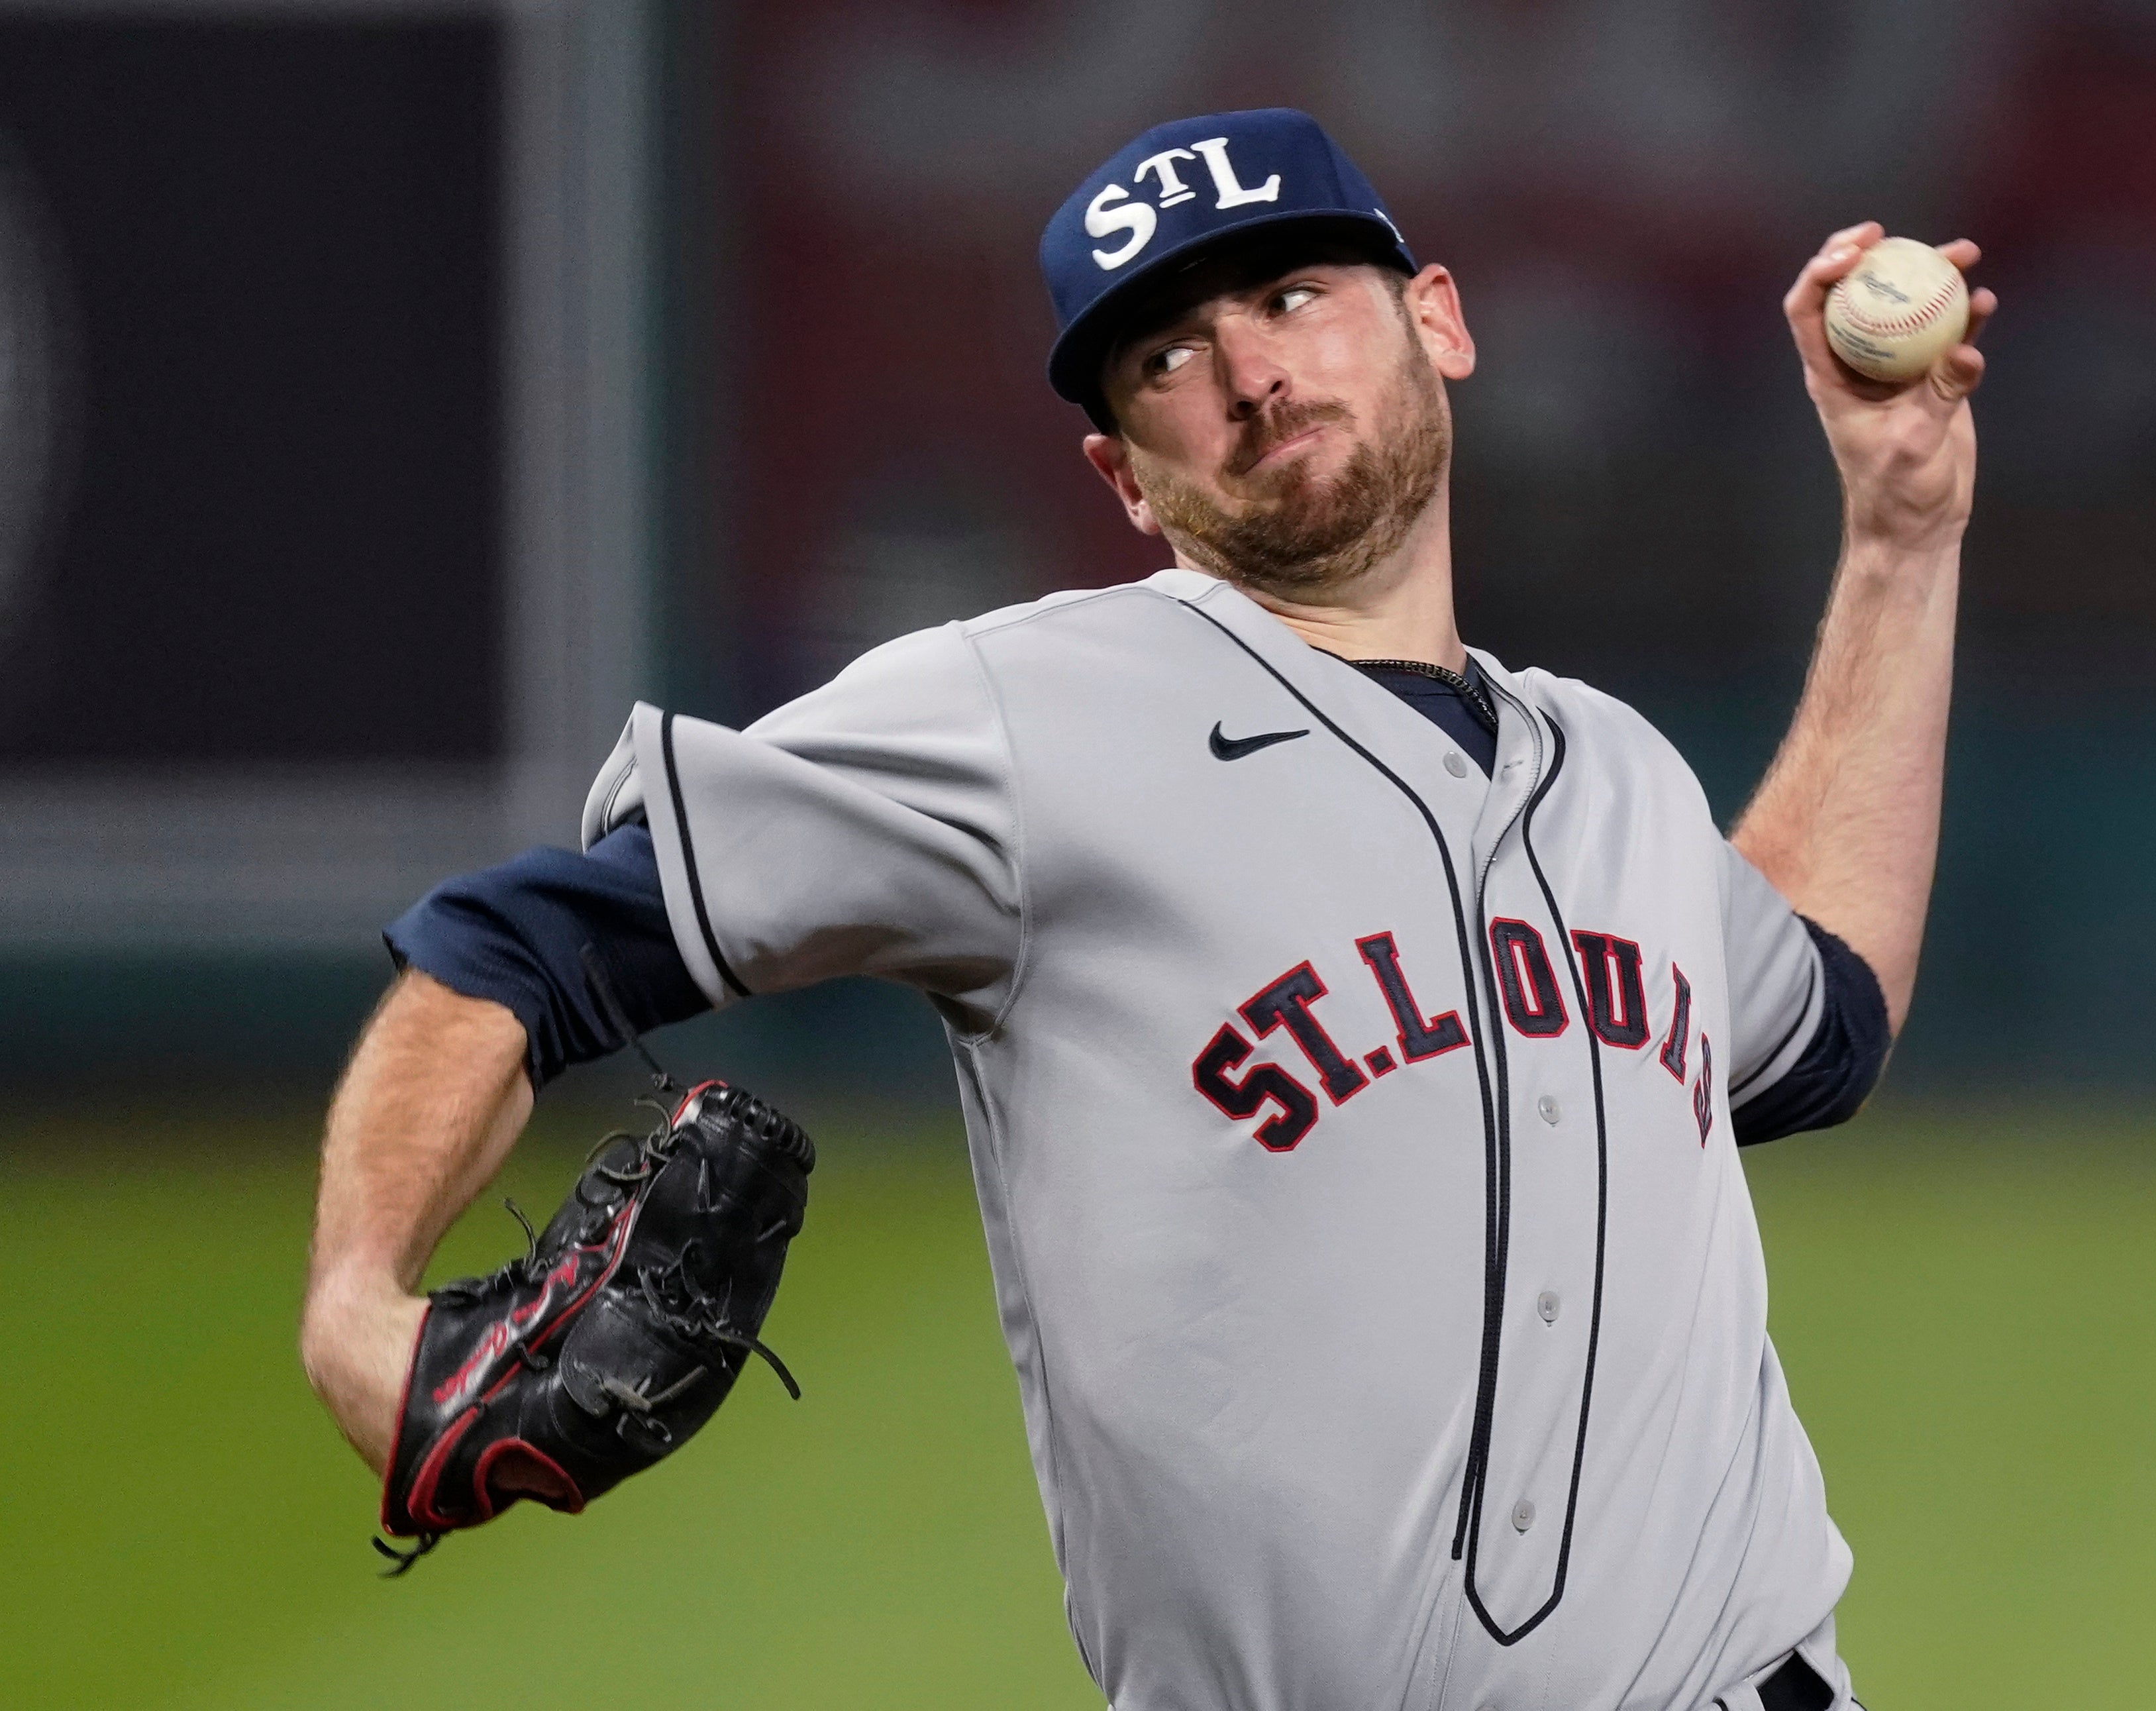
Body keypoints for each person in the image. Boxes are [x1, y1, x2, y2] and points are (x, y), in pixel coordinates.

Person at [301, 108, 1992, 1710]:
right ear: (1121, 473)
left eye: (1290, 295)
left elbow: (1819, 1020)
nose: (1250, 369)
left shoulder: (1612, 765)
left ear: (1439, 322)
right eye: (1169, 354)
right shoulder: (1023, 718)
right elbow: (518, 946)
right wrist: (357, 1298)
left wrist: (1903, 536)